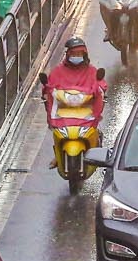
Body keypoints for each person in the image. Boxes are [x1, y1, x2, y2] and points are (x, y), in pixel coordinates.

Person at [40, 36, 106, 167]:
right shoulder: (58, 71)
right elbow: (50, 86)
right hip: (64, 112)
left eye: (79, 54)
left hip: (85, 111)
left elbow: (101, 84)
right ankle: (58, 154)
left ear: (84, 54)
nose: (76, 56)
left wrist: (99, 88)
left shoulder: (91, 71)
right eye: (73, 54)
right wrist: (47, 90)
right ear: (68, 54)